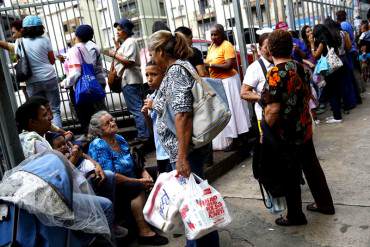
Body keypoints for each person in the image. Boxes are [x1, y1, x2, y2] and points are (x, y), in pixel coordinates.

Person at [148, 29, 220, 247]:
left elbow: (182, 114)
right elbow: (174, 108)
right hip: (184, 149)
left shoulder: (176, 71)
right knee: (195, 203)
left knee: (193, 206)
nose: (152, 59)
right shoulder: (177, 69)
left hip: (186, 150)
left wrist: (181, 156)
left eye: (153, 53)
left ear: (161, 51)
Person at [261, 29, 335, 226]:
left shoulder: (276, 72)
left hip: (285, 133)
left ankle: (294, 216)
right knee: (311, 166)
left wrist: (265, 135)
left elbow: (273, 109)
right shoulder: (299, 66)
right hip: (304, 127)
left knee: (289, 173)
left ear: (270, 49)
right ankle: (324, 204)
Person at [14, 100, 115, 241]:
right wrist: (74, 156)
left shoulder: (39, 137)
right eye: (44, 115)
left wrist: (95, 163)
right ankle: (105, 241)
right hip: (57, 199)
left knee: (108, 176)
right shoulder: (36, 143)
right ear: (32, 122)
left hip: (68, 186)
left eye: (49, 112)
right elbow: (58, 177)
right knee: (106, 206)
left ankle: (109, 230)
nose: (50, 117)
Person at [88, 111, 168, 246]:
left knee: (163, 173)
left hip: (130, 176)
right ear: (99, 130)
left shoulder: (119, 138)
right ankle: (144, 232)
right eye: (107, 123)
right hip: (113, 185)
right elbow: (111, 176)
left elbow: (132, 160)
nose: (113, 123)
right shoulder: (99, 145)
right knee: (137, 187)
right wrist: (139, 181)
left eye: (112, 120)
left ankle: (161, 217)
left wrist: (143, 172)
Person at [204, 24, 251, 151]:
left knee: (234, 110)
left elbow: (229, 65)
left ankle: (239, 139)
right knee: (225, 110)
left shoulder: (227, 45)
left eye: (216, 34)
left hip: (229, 81)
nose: (213, 37)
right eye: (212, 34)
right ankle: (233, 138)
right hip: (217, 82)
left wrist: (211, 65)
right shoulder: (212, 47)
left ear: (222, 34)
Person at [105, 18, 150, 142]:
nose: (117, 32)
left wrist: (113, 54)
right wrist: (117, 47)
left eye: (119, 30)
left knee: (136, 108)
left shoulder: (130, 41)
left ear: (126, 30)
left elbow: (129, 61)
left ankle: (143, 135)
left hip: (130, 80)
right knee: (139, 108)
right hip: (130, 79)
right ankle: (146, 134)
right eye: (117, 30)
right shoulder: (127, 42)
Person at [16, 15, 62, 128]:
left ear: (24, 28)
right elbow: (52, 60)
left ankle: (47, 140)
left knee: (38, 113)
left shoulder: (19, 42)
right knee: (54, 109)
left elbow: (20, 61)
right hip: (49, 77)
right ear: (40, 28)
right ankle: (60, 138)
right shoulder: (45, 40)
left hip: (32, 81)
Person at [62, 24, 107, 134]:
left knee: (90, 115)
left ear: (77, 36)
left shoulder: (80, 49)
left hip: (85, 85)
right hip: (90, 83)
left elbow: (79, 70)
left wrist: (65, 83)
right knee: (93, 114)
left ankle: (97, 137)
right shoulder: (85, 48)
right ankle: (99, 136)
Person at [141, 61, 172, 173]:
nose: (149, 79)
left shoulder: (169, 93)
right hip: (160, 151)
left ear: (164, 75)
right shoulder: (151, 96)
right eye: (147, 75)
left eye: (154, 74)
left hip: (171, 150)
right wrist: (146, 115)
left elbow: (175, 117)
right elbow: (152, 127)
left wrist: (154, 105)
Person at [311, 24, 344, 123]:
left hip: (329, 71)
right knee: (335, 92)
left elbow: (315, 56)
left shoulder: (322, 42)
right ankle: (336, 114)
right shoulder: (331, 39)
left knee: (332, 93)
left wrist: (312, 44)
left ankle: (337, 117)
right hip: (335, 68)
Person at [324, 18, 358, 111]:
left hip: (334, 61)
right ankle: (350, 103)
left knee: (337, 85)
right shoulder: (342, 33)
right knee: (347, 82)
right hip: (344, 58)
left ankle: (339, 105)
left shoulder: (328, 35)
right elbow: (349, 46)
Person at [241, 33, 272, 132]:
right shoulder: (254, 68)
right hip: (265, 118)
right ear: (260, 49)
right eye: (267, 47)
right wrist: (261, 98)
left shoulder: (280, 62)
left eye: (272, 47)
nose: (270, 50)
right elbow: (244, 93)